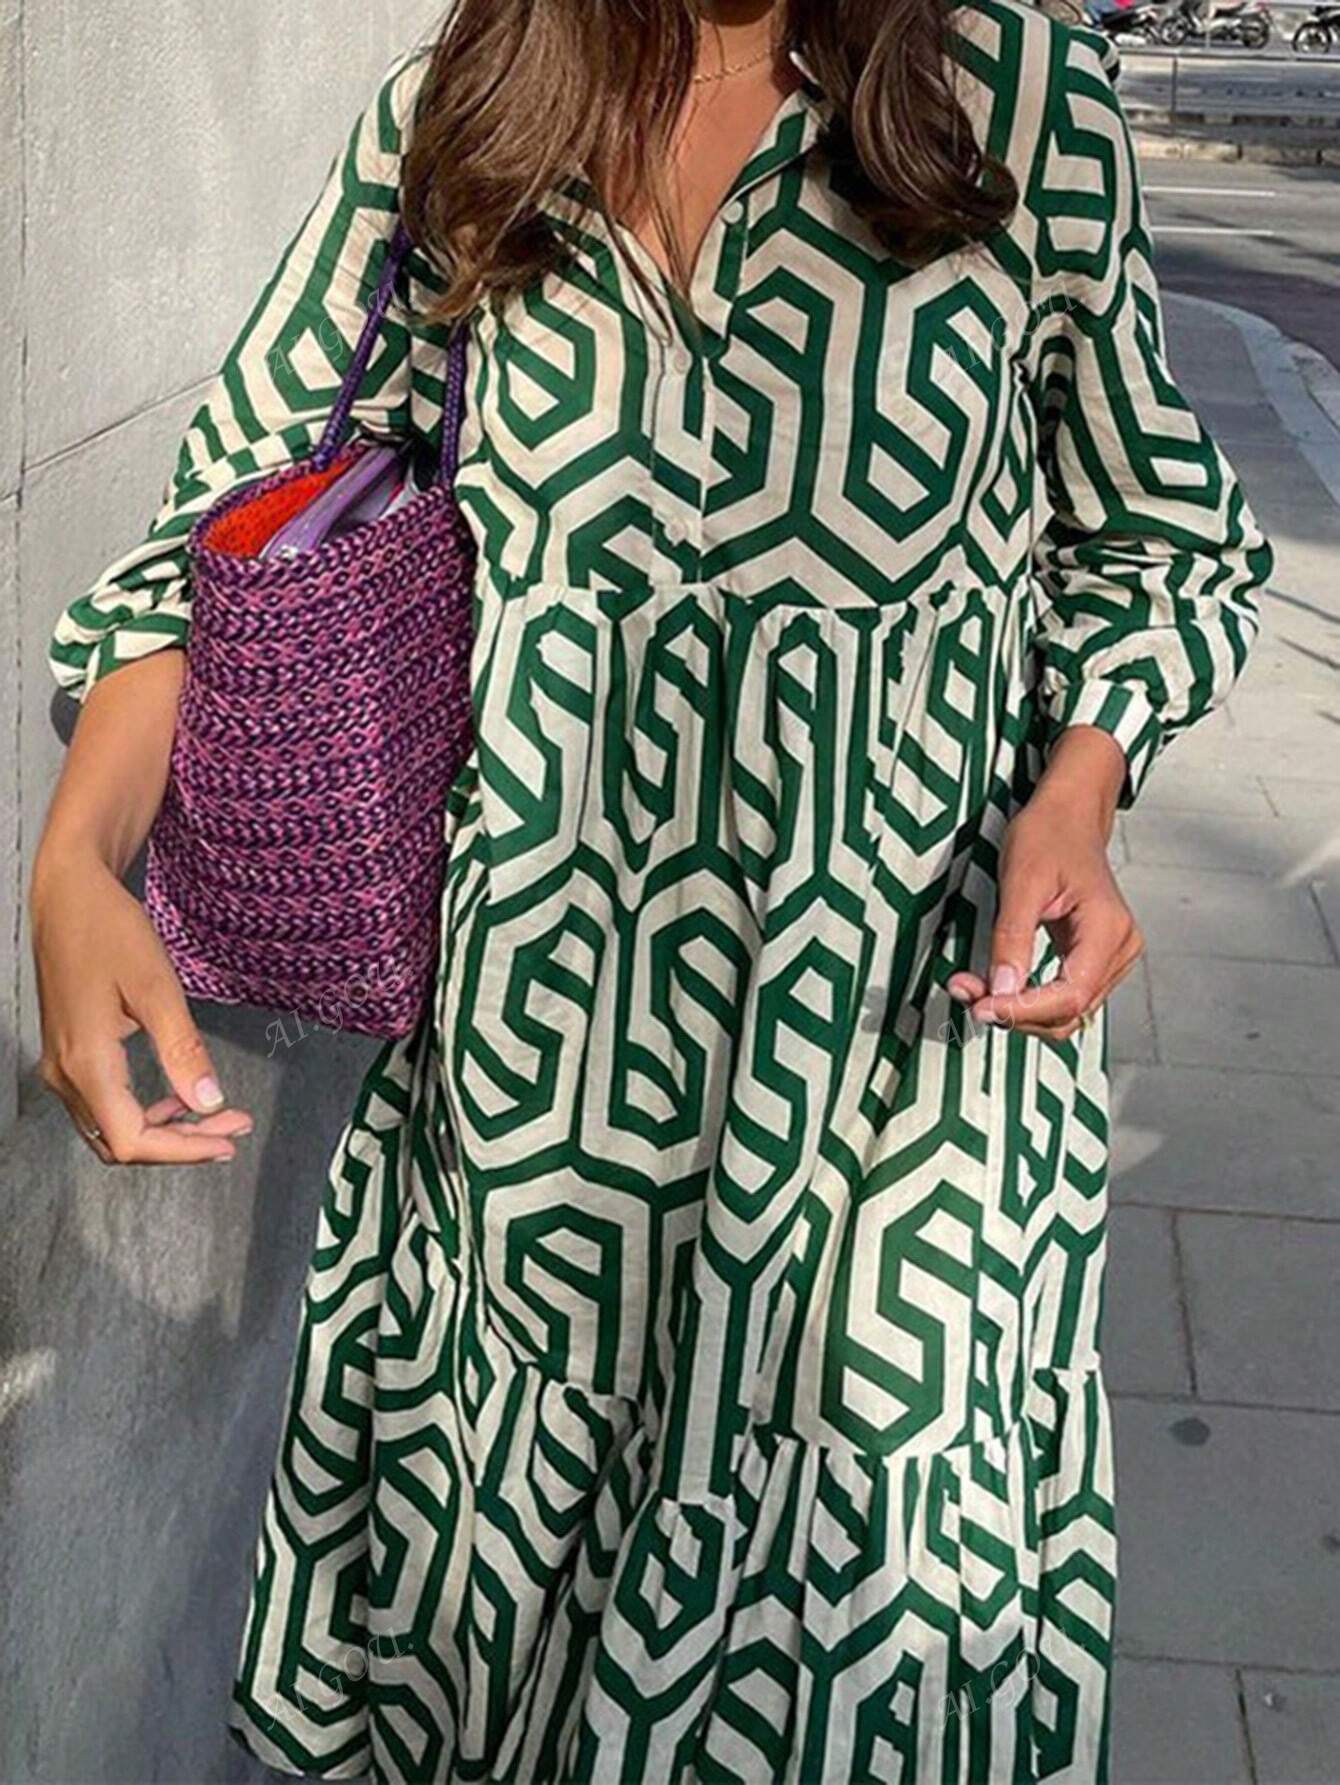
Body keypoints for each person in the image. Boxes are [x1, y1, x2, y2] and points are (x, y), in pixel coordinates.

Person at [30, 0, 1273, 1777]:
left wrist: (1077, 792)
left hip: (892, 1095)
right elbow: (231, 513)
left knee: (851, 1664)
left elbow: (1160, 540)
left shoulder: (1016, 101)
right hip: (540, 1120)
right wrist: (77, 858)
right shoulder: (468, 114)